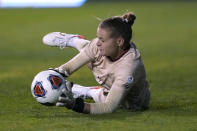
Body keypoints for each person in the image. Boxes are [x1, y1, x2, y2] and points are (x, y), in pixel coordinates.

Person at [42, 12, 150, 114]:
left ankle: (87, 91)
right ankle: (74, 40)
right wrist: (56, 74)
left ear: (119, 42)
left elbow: (108, 107)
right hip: (109, 85)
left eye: (102, 40)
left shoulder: (128, 68)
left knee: (94, 57)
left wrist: (74, 104)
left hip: (131, 105)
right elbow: (70, 67)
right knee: (91, 52)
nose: (98, 43)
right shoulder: (101, 46)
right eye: (98, 38)